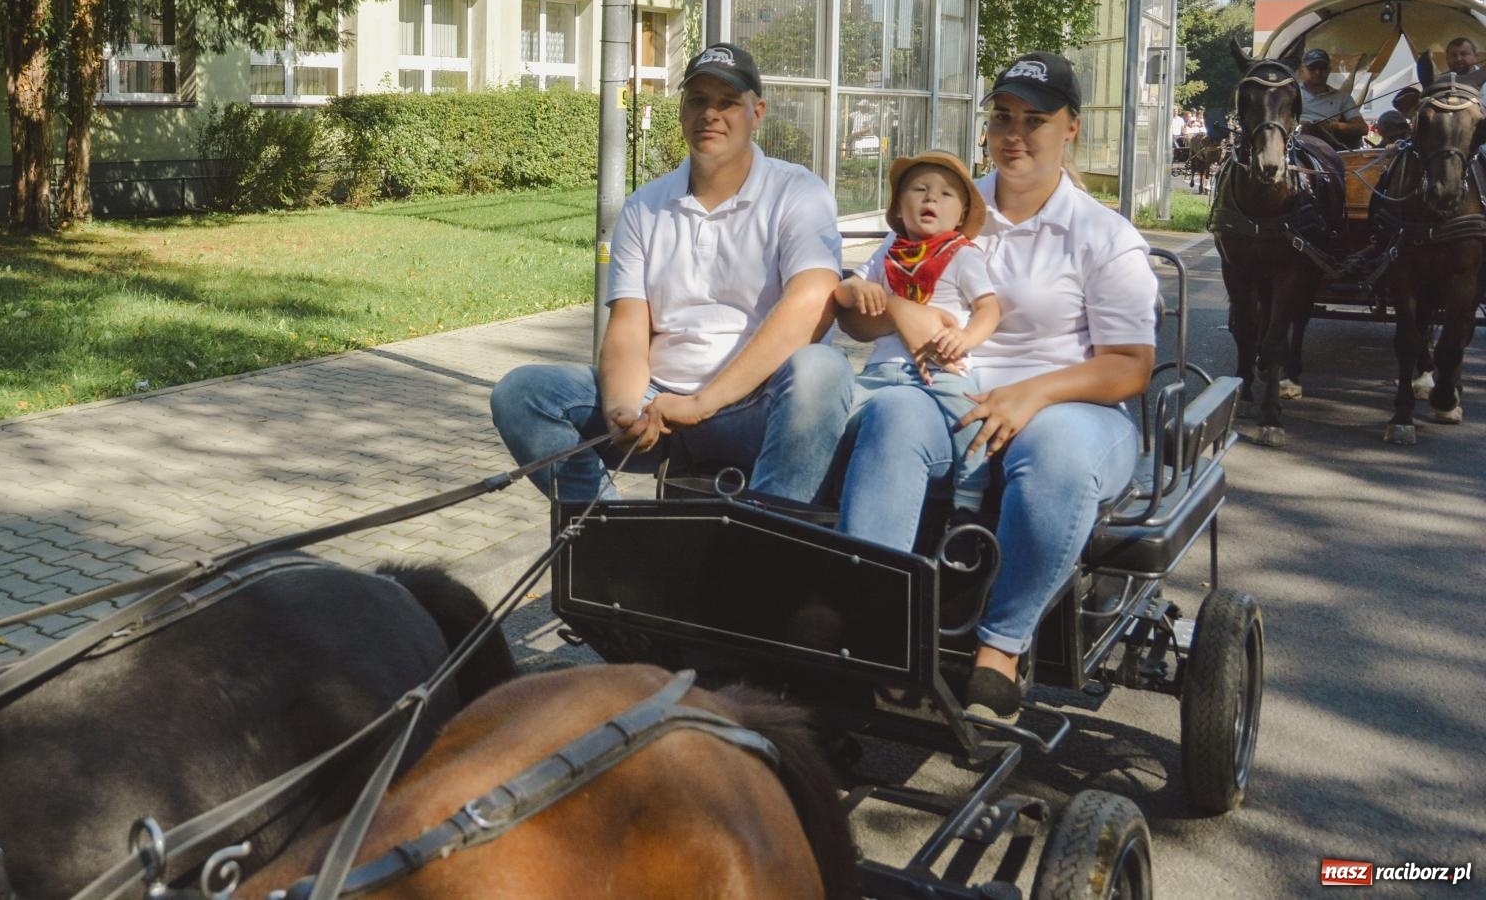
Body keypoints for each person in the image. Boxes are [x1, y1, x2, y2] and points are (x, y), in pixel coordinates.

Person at [834, 52, 1158, 721]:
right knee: (891, 418)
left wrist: (1032, 394)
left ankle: (1000, 650)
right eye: (1001, 117)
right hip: (947, 396)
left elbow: (1129, 365)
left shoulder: (1101, 234)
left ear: (1071, 127)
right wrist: (874, 304)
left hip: (1074, 403)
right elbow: (863, 316)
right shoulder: (948, 203)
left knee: (1055, 451)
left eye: (1034, 120)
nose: (1014, 134)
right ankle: (881, 635)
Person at [490, 43, 854, 502]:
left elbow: (814, 303)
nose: (710, 114)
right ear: (682, 110)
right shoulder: (645, 206)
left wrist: (702, 404)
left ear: (757, 113)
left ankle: (767, 539)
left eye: (727, 103)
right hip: (659, 407)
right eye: (698, 100)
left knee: (824, 369)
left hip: (758, 409)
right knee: (522, 393)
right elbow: (628, 325)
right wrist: (623, 409)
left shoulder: (798, 191)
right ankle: (610, 535)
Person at [834, 150, 1001, 513]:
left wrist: (967, 338)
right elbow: (842, 293)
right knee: (838, 416)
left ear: (960, 217)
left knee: (970, 418)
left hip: (943, 368)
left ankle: (971, 493)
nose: (930, 198)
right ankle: (831, 488)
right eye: (920, 189)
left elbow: (989, 308)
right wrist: (857, 288)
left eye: (945, 195)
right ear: (897, 209)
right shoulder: (887, 253)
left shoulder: (963, 255)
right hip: (882, 368)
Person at [1298, 48, 1368, 150]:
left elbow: (1362, 128)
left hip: (1327, 145)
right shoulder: (1291, 93)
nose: (1317, 72)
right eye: (1312, 68)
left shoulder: (1342, 97)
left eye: (1322, 68)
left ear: (1329, 70)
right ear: (1302, 70)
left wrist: (1333, 126)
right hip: (1296, 142)